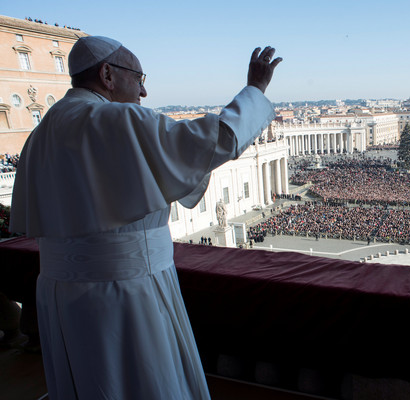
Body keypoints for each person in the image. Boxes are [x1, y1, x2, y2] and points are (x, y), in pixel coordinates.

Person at [9, 35, 282, 400]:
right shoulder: (116, 119)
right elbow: (217, 140)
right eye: (139, 79)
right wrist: (255, 89)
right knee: (147, 381)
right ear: (107, 74)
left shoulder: (40, 133)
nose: (144, 92)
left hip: (61, 295)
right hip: (126, 289)